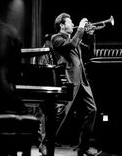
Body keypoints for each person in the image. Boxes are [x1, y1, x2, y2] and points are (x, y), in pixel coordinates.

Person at [50, 13, 99, 156]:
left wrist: (90, 35)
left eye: (73, 23)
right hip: (69, 80)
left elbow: (90, 52)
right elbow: (70, 45)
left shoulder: (75, 39)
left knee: (92, 110)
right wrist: (81, 29)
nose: (73, 25)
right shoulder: (56, 38)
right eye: (70, 23)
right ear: (61, 25)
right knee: (61, 114)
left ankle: (82, 148)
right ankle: (46, 142)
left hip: (82, 80)